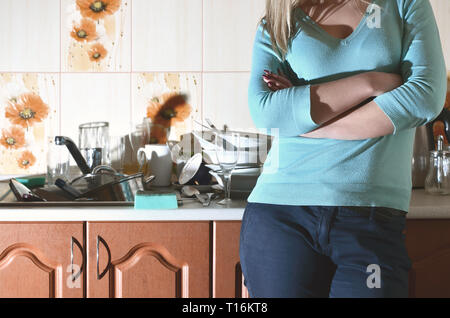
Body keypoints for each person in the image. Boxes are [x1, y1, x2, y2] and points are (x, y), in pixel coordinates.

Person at [240, 0, 447, 298]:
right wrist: (372, 82)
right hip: (280, 212)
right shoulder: (280, 21)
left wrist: (310, 122)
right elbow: (267, 113)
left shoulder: (404, 5)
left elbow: (425, 97)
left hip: (372, 219)